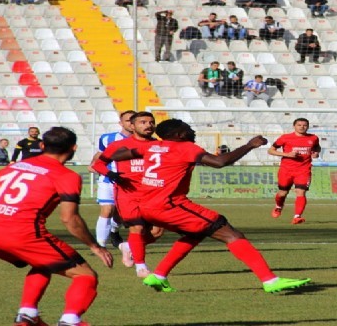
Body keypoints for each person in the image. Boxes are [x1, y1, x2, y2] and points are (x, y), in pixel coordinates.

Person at [99, 118, 311, 293]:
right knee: (231, 233)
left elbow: (119, 155)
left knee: (197, 233)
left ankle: (159, 275)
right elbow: (220, 163)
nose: (192, 131)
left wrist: (114, 161)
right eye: (188, 128)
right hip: (169, 205)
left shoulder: (153, 146)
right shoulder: (185, 147)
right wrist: (249, 145)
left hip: (146, 205)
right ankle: (270, 280)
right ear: (180, 134)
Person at [0, 127, 114, 326]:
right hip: (23, 235)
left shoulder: (16, 166)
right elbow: (69, 219)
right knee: (85, 276)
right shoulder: (66, 176)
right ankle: (70, 321)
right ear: (74, 148)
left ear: (42, 145)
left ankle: (27, 314)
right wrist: (95, 246)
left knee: (41, 263)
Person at [92, 112, 164, 278]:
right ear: (132, 126)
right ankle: (141, 267)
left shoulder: (159, 145)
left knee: (157, 232)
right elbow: (98, 164)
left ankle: (128, 247)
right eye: (143, 122)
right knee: (136, 228)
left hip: (152, 192)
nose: (148, 125)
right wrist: (111, 175)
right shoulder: (119, 145)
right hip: (127, 193)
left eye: (151, 122)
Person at [87, 110, 135, 262]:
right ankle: (100, 244)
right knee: (107, 210)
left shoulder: (145, 140)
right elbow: (100, 154)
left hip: (130, 182)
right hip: (108, 179)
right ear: (121, 123)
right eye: (128, 120)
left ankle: (114, 230)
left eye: (133, 120)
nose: (131, 123)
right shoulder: (108, 138)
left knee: (122, 215)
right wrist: (93, 164)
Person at [269, 118, 320, 224]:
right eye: (299, 125)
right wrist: (287, 154)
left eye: (305, 125)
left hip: (303, 170)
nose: (302, 127)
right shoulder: (285, 138)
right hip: (286, 170)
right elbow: (271, 150)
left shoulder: (313, 138)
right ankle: (278, 206)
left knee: (300, 192)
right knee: (282, 193)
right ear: (294, 126)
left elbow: (317, 147)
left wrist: (315, 153)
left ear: (308, 126)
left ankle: (297, 216)